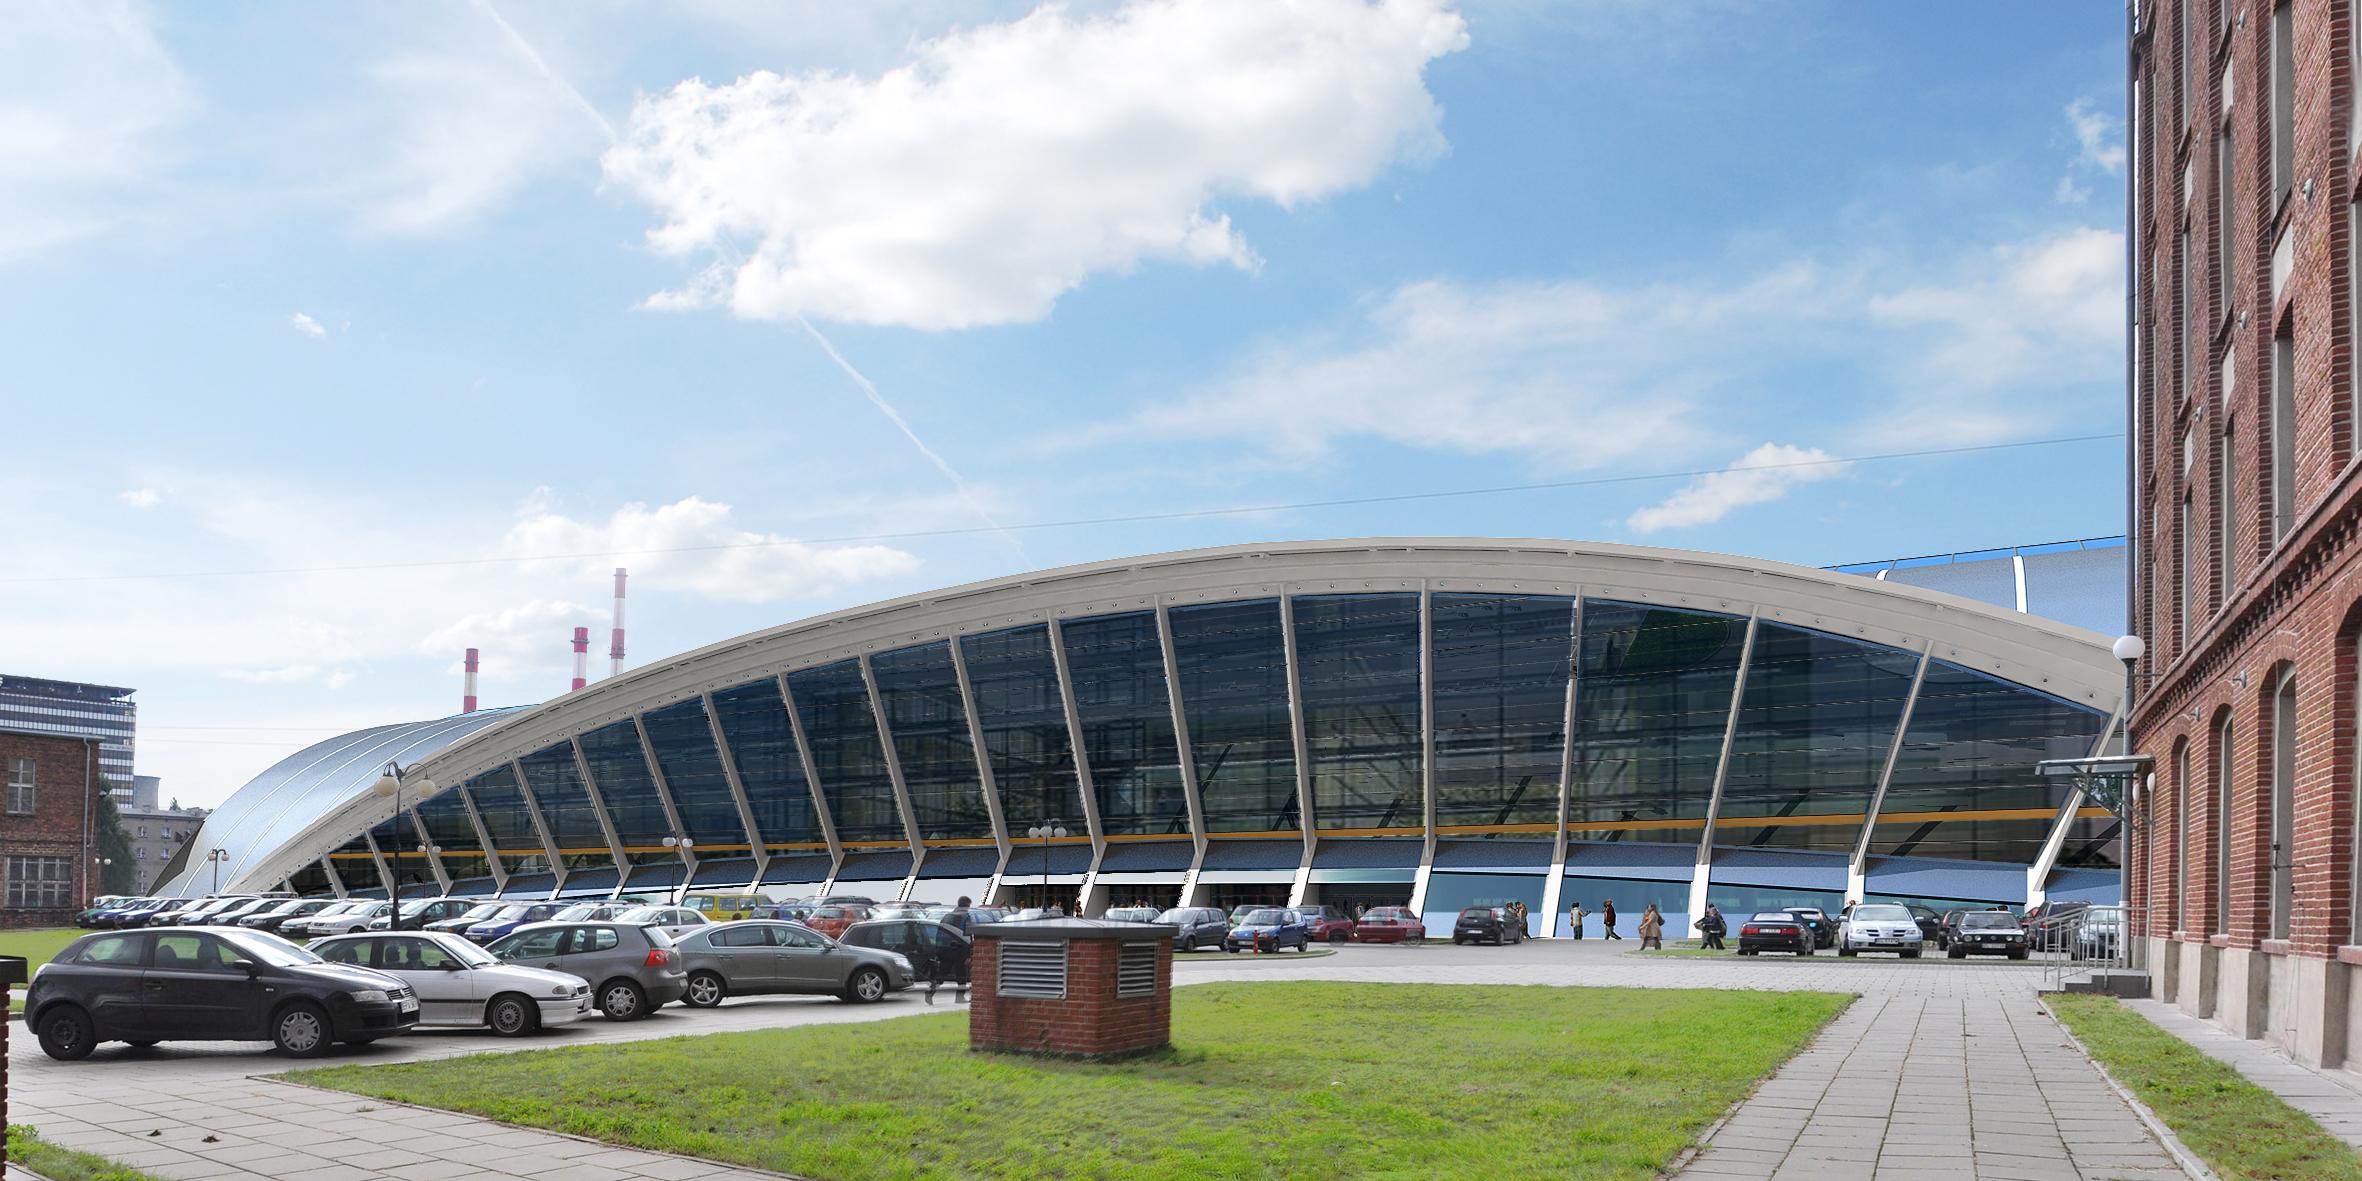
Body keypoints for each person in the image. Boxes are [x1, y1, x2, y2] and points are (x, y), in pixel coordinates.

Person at [927, 896, 975, 1004]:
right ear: (968, 905)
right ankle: (959, 997)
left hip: (945, 949)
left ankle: (930, 992)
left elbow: (939, 933)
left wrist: (938, 949)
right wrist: (968, 955)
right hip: (959, 950)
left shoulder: (947, 916)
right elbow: (967, 936)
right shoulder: (966, 917)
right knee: (961, 975)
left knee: (942, 973)